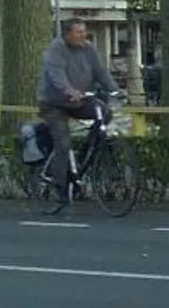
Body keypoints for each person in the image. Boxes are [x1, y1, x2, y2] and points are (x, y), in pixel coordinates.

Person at [36, 16, 115, 196]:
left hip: (79, 101)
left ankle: (86, 154)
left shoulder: (89, 49)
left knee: (104, 113)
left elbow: (100, 72)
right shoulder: (56, 50)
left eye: (83, 31)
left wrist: (114, 90)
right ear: (67, 34)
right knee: (63, 143)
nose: (82, 35)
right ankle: (59, 184)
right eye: (78, 32)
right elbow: (56, 75)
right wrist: (69, 90)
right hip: (54, 103)